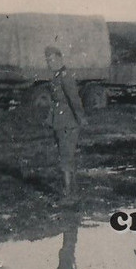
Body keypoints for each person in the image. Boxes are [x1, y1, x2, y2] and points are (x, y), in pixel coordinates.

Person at [44, 45, 87, 197]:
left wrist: (80, 118)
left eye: (51, 59)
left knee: (66, 156)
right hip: (60, 121)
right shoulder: (56, 76)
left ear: (59, 59)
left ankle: (68, 193)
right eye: (47, 60)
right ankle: (71, 190)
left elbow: (74, 99)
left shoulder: (65, 76)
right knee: (65, 156)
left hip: (68, 122)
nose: (49, 63)